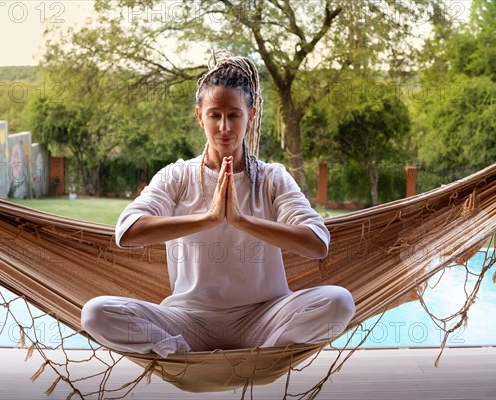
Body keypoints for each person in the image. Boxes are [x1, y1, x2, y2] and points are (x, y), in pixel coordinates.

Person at [81, 51, 355, 357]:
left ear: (250, 116)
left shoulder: (271, 177)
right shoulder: (177, 176)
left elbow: (318, 243)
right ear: (200, 117)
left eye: (234, 114)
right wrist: (210, 218)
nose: (224, 126)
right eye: (214, 115)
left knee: (339, 302)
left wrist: (241, 220)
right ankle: (182, 356)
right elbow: (127, 231)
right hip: (189, 322)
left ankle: (263, 356)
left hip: (263, 318)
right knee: (96, 313)